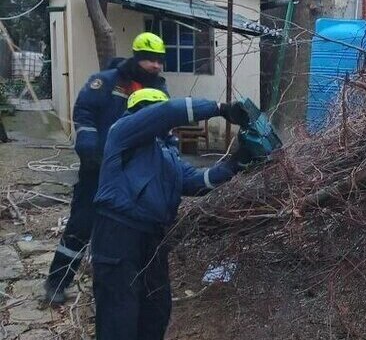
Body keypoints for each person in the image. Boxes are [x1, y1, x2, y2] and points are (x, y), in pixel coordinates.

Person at [91, 88, 250, 340]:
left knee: (155, 312)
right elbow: (167, 112)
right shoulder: (122, 131)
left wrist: (236, 162)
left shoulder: (168, 155)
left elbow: (199, 182)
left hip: (154, 238)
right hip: (118, 234)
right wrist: (220, 108)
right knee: (118, 316)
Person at [45, 33, 168, 304]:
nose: (156, 66)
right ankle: (57, 282)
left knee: (127, 232)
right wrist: (88, 143)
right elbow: (85, 111)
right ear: (137, 57)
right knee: (81, 225)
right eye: (150, 59)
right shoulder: (108, 81)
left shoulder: (159, 89)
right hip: (97, 169)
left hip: (133, 176)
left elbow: (165, 123)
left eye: (160, 61)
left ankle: (118, 288)